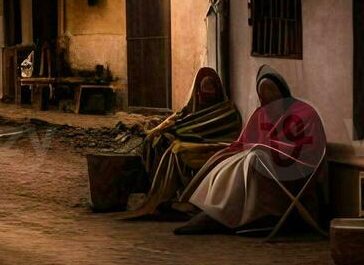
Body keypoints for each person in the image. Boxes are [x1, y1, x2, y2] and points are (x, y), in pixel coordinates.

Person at [175, 67, 326, 236]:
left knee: (254, 158)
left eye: (272, 93)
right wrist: (224, 153)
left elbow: (309, 153)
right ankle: (214, 213)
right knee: (228, 159)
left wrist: (268, 150)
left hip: (294, 173)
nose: (268, 100)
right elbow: (244, 142)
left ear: (283, 92)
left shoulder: (305, 114)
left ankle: (263, 216)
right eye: (264, 96)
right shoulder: (261, 113)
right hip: (263, 162)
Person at [123, 67, 242, 220]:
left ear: (218, 89)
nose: (206, 92)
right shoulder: (192, 108)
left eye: (210, 88)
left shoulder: (225, 111)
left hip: (214, 143)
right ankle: (160, 193)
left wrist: (178, 132)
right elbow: (184, 121)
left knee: (177, 151)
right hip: (194, 141)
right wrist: (166, 131)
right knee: (159, 142)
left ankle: (175, 199)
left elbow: (216, 130)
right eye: (203, 88)